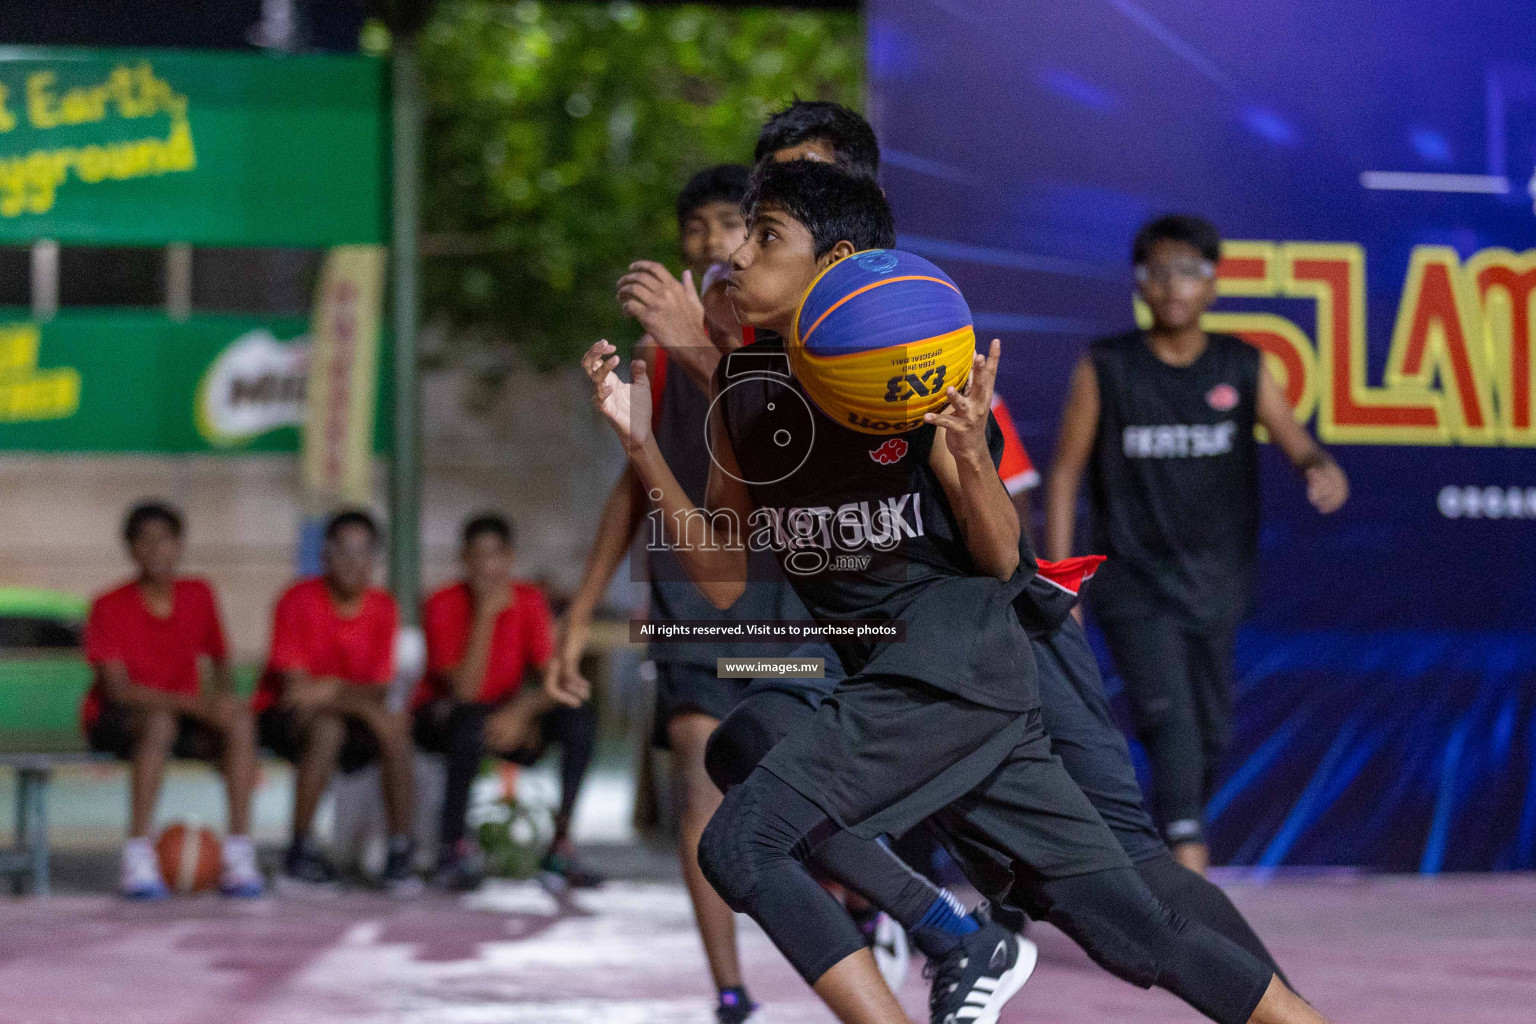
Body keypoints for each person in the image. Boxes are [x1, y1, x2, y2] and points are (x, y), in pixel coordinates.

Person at [581, 159, 1326, 1024]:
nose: (736, 257)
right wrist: (640, 447)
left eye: (765, 236)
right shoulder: (746, 400)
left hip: (954, 674)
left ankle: (949, 940)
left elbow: (1005, 558)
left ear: (838, 259)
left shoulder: (909, 371)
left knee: (742, 844)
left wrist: (969, 452)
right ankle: (955, 933)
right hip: (914, 694)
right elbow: (718, 578)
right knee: (751, 741)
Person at [553, 163, 827, 1023]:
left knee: (811, 803)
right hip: (692, 609)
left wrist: (696, 350)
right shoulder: (657, 355)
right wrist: (578, 609)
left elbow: (775, 437)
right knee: (701, 796)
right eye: (697, 227)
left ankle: (879, 938)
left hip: (787, 610)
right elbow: (634, 484)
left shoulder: (794, 337)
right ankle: (731, 990)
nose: (712, 242)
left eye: (730, 225)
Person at [1044, 214, 1349, 874]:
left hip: (1217, 585)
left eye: (1189, 271)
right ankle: (1192, 899)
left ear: (1213, 284)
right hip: (1134, 585)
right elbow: (1065, 475)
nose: (1174, 286)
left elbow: (1296, 439)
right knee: (1173, 727)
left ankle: (1160, 868)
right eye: (1158, 272)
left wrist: (1319, 467)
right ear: (1139, 284)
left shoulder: (1241, 365)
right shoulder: (1107, 366)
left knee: (1209, 735)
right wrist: (1064, 582)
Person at [82, 501, 263, 900]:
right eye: (144, 542)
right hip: (119, 720)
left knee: (240, 721)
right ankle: (137, 853)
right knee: (158, 723)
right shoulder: (108, 605)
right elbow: (119, 690)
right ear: (130, 550)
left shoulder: (199, 594)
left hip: (182, 716)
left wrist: (225, 706)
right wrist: (199, 707)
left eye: (164, 540)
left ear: (180, 545)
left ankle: (239, 850)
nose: (155, 550)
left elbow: (220, 663)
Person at [414, 512, 601, 890]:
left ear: (510, 558)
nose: (486, 566)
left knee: (579, 717)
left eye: (495, 555)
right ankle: (453, 848)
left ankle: (560, 846)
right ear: (463, 560)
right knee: (468, 722)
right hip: (442, 717)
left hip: (505, 712)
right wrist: (485, 613)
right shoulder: (441, 603)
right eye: (476, 557)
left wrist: (522, 712)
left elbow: (558, 681)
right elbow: (465, 692)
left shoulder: (529, 600)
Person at [255, 509, 419, 895]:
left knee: (395, 733)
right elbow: (296, 691)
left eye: (362, 552)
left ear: (374, 560)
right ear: (324, 555)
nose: (351, 561)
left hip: (350, 716)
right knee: (329, 728)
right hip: (285, 717)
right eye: (342, 551)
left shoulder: (383, 606)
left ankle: (400, 852)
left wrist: (329, 689)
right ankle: (299, 852)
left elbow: (379, 687)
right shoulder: (296, 599)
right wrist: (360, 704)